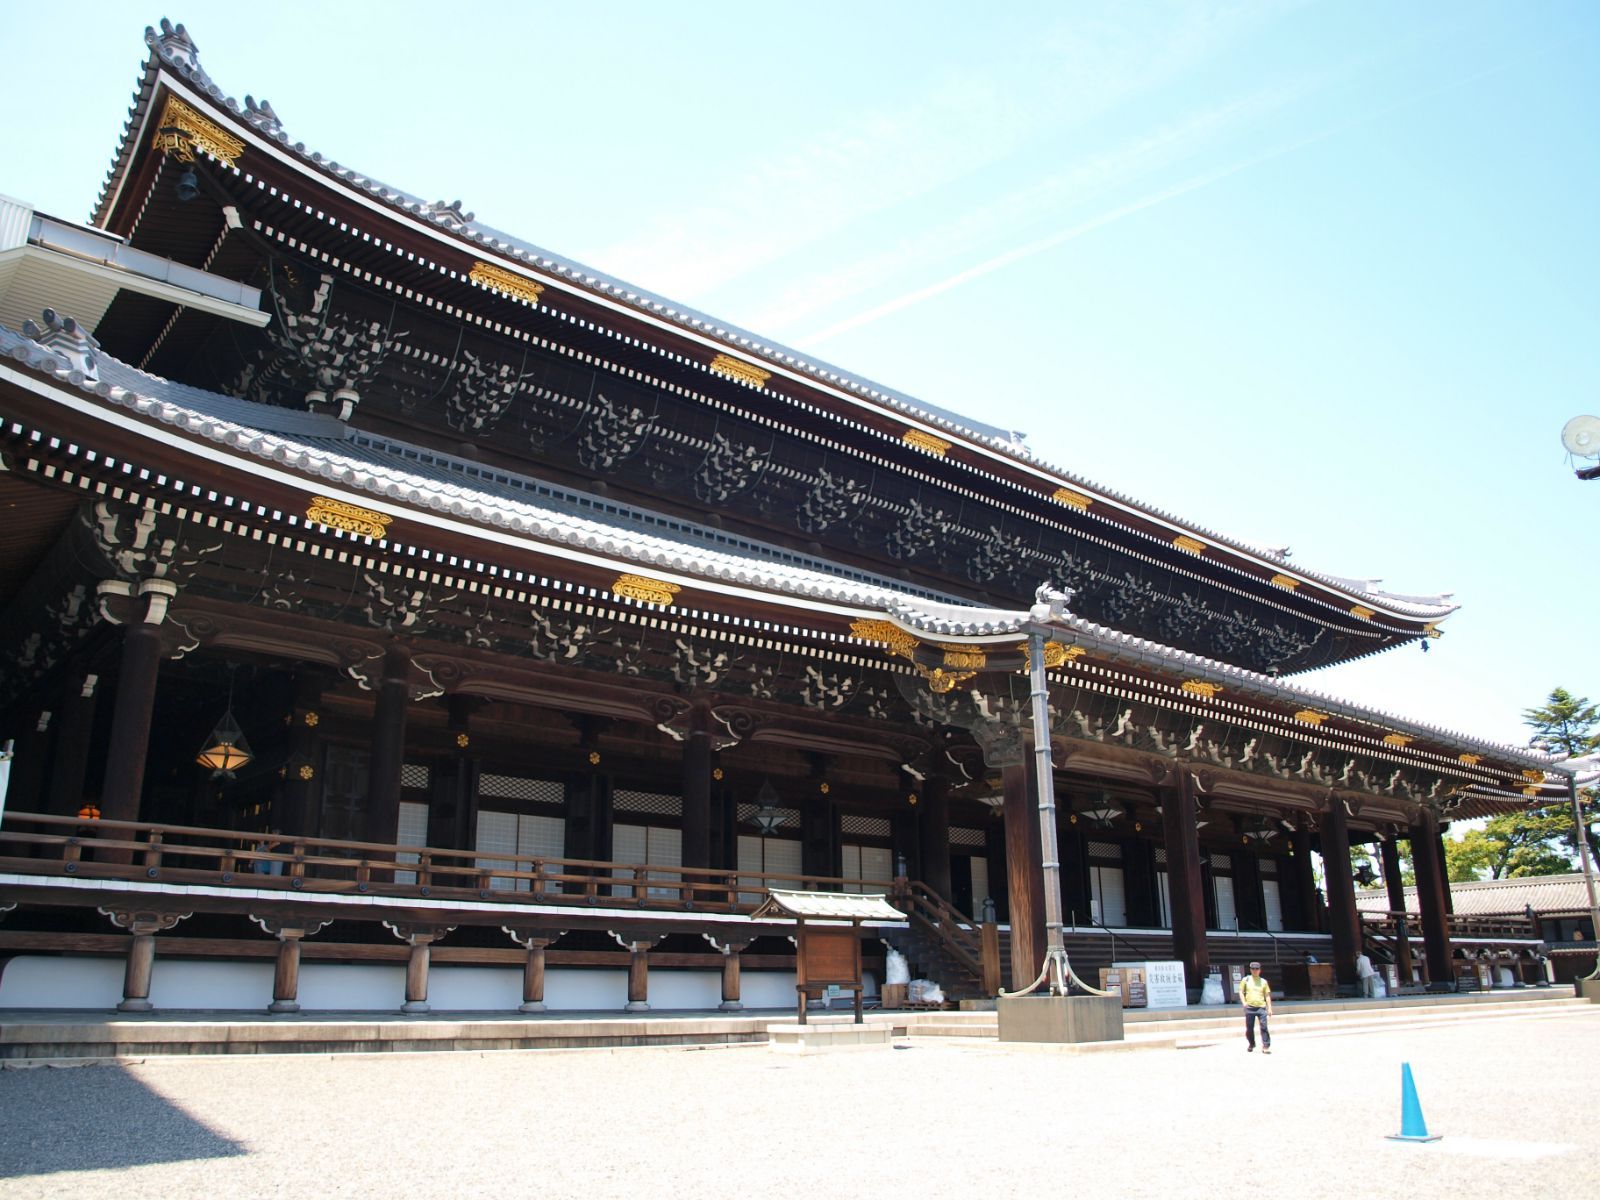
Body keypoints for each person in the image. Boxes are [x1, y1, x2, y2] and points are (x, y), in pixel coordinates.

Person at [1240, 960, 1273, 1054]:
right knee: (1249, 1028)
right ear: (1250, 970)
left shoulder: (1263, 982)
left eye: (1257, 969)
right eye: (1253, 969)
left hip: (1261, 1007)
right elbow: (1241, 991)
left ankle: (1266, 1046)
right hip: (1250, 1007)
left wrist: (1269, 1008)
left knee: (1264, 1027)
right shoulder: (1245, 980)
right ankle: (1251, 1043)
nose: (1255, 970)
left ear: (1260, 970)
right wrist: (1244, 1002)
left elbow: (1267, 995)